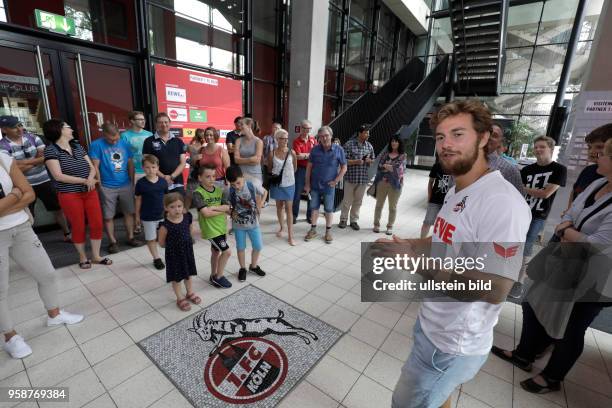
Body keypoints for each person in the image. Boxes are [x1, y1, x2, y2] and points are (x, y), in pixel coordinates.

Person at [385, 100, 530, 408]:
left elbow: (495, 289)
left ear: (484, 137)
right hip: (433, 324)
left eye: (457, 134)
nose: (446, 144)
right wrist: (411, 244)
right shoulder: (456, 190)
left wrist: (420, 265)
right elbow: (444, 242)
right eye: (440, 136)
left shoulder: (502, 203)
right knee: (438, 398)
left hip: (453, 344)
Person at [491, 137, 612, 394]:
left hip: (597, 276)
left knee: (573, 325)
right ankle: (524, 354)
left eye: (603, 153)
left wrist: (568, 231)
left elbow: (597, 244)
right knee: (532, 299)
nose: (595, 156)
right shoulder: (599, 182)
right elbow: (569, 213)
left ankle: (552, 377)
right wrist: (570, 229)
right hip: (567, 260)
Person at [0, 150, 83, 359]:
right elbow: (21, 194)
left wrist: (12, 200)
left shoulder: (3, 158)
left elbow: (29, 193)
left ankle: (54, 314)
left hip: (21, 228)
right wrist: (15, 195)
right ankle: (10, 337)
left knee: (46, 274)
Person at [43, 119, 111, 268]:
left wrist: (89, 179)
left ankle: (96, 256)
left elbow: (91, 166)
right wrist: (84, 181)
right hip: (69, 194)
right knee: (78, 225)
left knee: (97, 223)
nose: (71, 129)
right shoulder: (51, 150)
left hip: (90, 191)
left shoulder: (77, 146)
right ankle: (82, 257)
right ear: (59, 130)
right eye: (68, 127)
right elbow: (58, 175)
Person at [508, 136, 567, 298]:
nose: (538, 150)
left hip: (538, 215)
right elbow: (516, 193)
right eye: (536, 147)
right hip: (520, 213)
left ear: (551, 149)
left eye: (542, 147)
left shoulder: (559, 169)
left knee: (526, 247)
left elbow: (546, 193)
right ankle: (508, 275)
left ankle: (519, 281)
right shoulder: (526, 170)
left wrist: (523, 188)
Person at [0, 115, 70, 240]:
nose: (20, 129)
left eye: (20, 125)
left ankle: (67, 233)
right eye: (14, 127)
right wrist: (35, 160)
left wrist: (21, 164)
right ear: (4, 130)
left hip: (45, 181)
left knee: (58, 208)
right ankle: (30, 240)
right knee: (28, 213)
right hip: (24, 186)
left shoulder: (33, 137)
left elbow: (45, 158)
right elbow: (12, 169)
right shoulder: (2, 146)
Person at [89, 123, 143, 253]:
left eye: (116, 138)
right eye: (110, 139)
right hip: (107, 186)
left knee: (129, 212)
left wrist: (131, 181)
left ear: (119, 134)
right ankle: (113, 242)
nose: (114, 141)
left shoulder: (124, 143)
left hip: (125, 184)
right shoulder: (96, 145)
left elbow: (130, 163)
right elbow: (95, 166)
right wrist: (99, 184)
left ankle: (130, 237)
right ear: (104, 134)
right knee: (108, 216)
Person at [157, 193, 201, 311]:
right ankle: (180, 297)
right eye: (172, 207)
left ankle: (190, 292)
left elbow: (190, 229)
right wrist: (174, 246)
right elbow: (161, 243)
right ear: (166, 208)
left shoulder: (187, 217)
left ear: (183, 206)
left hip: (187, 251)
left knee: (188, 273)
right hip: (174, 255)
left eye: (179, 206)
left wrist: (188, 240)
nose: (177, 209)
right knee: (176, 277)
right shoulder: (165, 225)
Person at [304, 126, 347, 244]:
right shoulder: (315, 150)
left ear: (331, 136)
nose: (324, 138)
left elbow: (344, 167)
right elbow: (309, 168)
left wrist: (336, 180)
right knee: (314, 208)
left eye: (326, 135)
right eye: (321, 136)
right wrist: (307, 184)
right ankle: (313, 230)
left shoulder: (339, 150)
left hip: (329, 186)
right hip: (314, 185)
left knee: (329, 209)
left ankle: (328, 232)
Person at [192, 164, 232, 288]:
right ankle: (218, 277)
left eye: (214, 176)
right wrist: (222, 209)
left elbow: (228, 208)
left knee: (215, 252)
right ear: (200, 178)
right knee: (227, 252)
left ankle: (213, 275)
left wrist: (214, 207)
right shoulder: (198, 193)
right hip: (211, 230)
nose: (212, 179)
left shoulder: (219, 191)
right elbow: (206, 213)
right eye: (208, 176)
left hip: (221, 227)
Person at [225, 165, 267, 282]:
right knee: (241, 248)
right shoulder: (230, 191)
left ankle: (253, 266)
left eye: (238, 183)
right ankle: (242, 268)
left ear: (242, 177)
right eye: (233, 185)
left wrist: (260, 205)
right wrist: (230, 213)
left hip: (253, 223)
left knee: (258, 246)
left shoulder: (251, 185)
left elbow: (265, 192)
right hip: (238, 225)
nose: (236, 187)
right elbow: (227, 206)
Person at [564, 123, 612, 211]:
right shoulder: (588, 170)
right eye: (589, 147)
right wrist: (569, 210)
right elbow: (575, 191)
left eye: (599, 147)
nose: (592, 151)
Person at [134, 155, 168, 270]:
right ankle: (156, 258)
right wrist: (137, 216)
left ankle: (169, 254)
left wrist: (168, 212)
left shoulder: (163, 182)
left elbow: (165, 199)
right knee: (151, 238)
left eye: (153, 167)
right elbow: (138, 200)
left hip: (162, 215)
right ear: (143, 168)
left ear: (158, 167)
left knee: (165, 236)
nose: (151, 170)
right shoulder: (140, 183)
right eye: (147, 167)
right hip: (147, 216)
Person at [339, 124, 375, 230]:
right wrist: (355, 161)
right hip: (350, 178)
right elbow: (343, 160)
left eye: (368, 133)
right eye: (366, 133)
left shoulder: (369, 146)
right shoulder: (349, 144)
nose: (368, 135)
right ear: (360, 133)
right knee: (347, 201)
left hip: (363, 179)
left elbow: (373, 160)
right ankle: (343, 220)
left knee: (358, 201)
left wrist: (369, 161)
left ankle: (354, 221)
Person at [142, 112, 187, 194]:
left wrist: (172, 176)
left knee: (178, 206)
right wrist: (164, 177)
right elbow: (147, 163)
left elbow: (183, 163)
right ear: (156, 124)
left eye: (166, 122)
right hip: (156, 181)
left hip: (177, 182)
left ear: (170, 123)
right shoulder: (148, 141)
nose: (164, 124)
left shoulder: (178, 141)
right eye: (160, 122)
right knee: (159, 206)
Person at [268, 129, 297, 245]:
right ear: (277, 139)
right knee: (279, 206)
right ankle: (281, 227)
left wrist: (287, 176)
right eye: (282, 138)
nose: (285, 140)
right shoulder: (272, 153)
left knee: (289, 209)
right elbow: (270, 168)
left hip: (289, 184)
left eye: (286, 138)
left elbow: (295, 168)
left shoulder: (292, 152)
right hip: (277, 184)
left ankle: (291, 235)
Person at [373, 135, 407, 235]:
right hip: (382, 183)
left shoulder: (403, 155)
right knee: (379, 205)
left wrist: (387, 166)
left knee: (392, 207)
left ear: (399, 143)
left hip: (395, 185)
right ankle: (376, 224)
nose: (394, 143)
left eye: (396, 141)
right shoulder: (385, 154)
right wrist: (391, 167)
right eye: (392, 141)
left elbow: (400, 171)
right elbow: (379, 167)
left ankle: (389, 226)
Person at [420, 156, 453, 238]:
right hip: (435, 200)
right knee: (427, 222)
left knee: (444, 225)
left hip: (449, 202)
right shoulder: (437, 166)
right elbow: (430, 182)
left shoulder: (456, 167)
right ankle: (421, 240)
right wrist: (429, 196)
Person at [488, 124, 525, 195]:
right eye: (487, 133)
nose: (489, 137)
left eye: (494, 135)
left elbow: (518, 198)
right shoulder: (464, 161)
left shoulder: (509, 170)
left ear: (500, 141)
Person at [292, 120, 317, 224]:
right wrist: (309, 155)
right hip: (301, 170)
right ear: (301, 128)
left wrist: (305, 155)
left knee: (311, 193)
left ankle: (309, 216)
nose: (307, 130)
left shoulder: (313, 140)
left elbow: (316, 153)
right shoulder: (296, 141)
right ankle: (294, 215)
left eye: (309, 129)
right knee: (297, 193)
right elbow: (297, 156)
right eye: (305, 128)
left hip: (312, 170)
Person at [120, 110, 153, 182]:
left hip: (150, 170)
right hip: (134, 172)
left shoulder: (150, 134)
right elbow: (123, 156)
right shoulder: (124, 135)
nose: (143, 121)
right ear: (132, 121)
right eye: (140, 119)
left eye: (144, 119)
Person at [234, 117, 265, 191]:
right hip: (242, 174)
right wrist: (251, 159)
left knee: (256, 199)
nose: (239, 127)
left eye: (242, 124)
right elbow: (236, 160)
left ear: (249, 125)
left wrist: (242, 160)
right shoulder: (238, 141)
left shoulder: (258, 141)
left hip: (255, 174)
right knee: (243, 200)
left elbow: (257, 161)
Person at [185, 128, 206, 210]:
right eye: (202, 135)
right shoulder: (190, 146)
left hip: (204, 174)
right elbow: (184, 159)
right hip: (193, 174)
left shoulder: (206, 147)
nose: (204, 137)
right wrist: (193, 159)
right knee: (189, 196)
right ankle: (185, 215)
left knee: (203, 197)